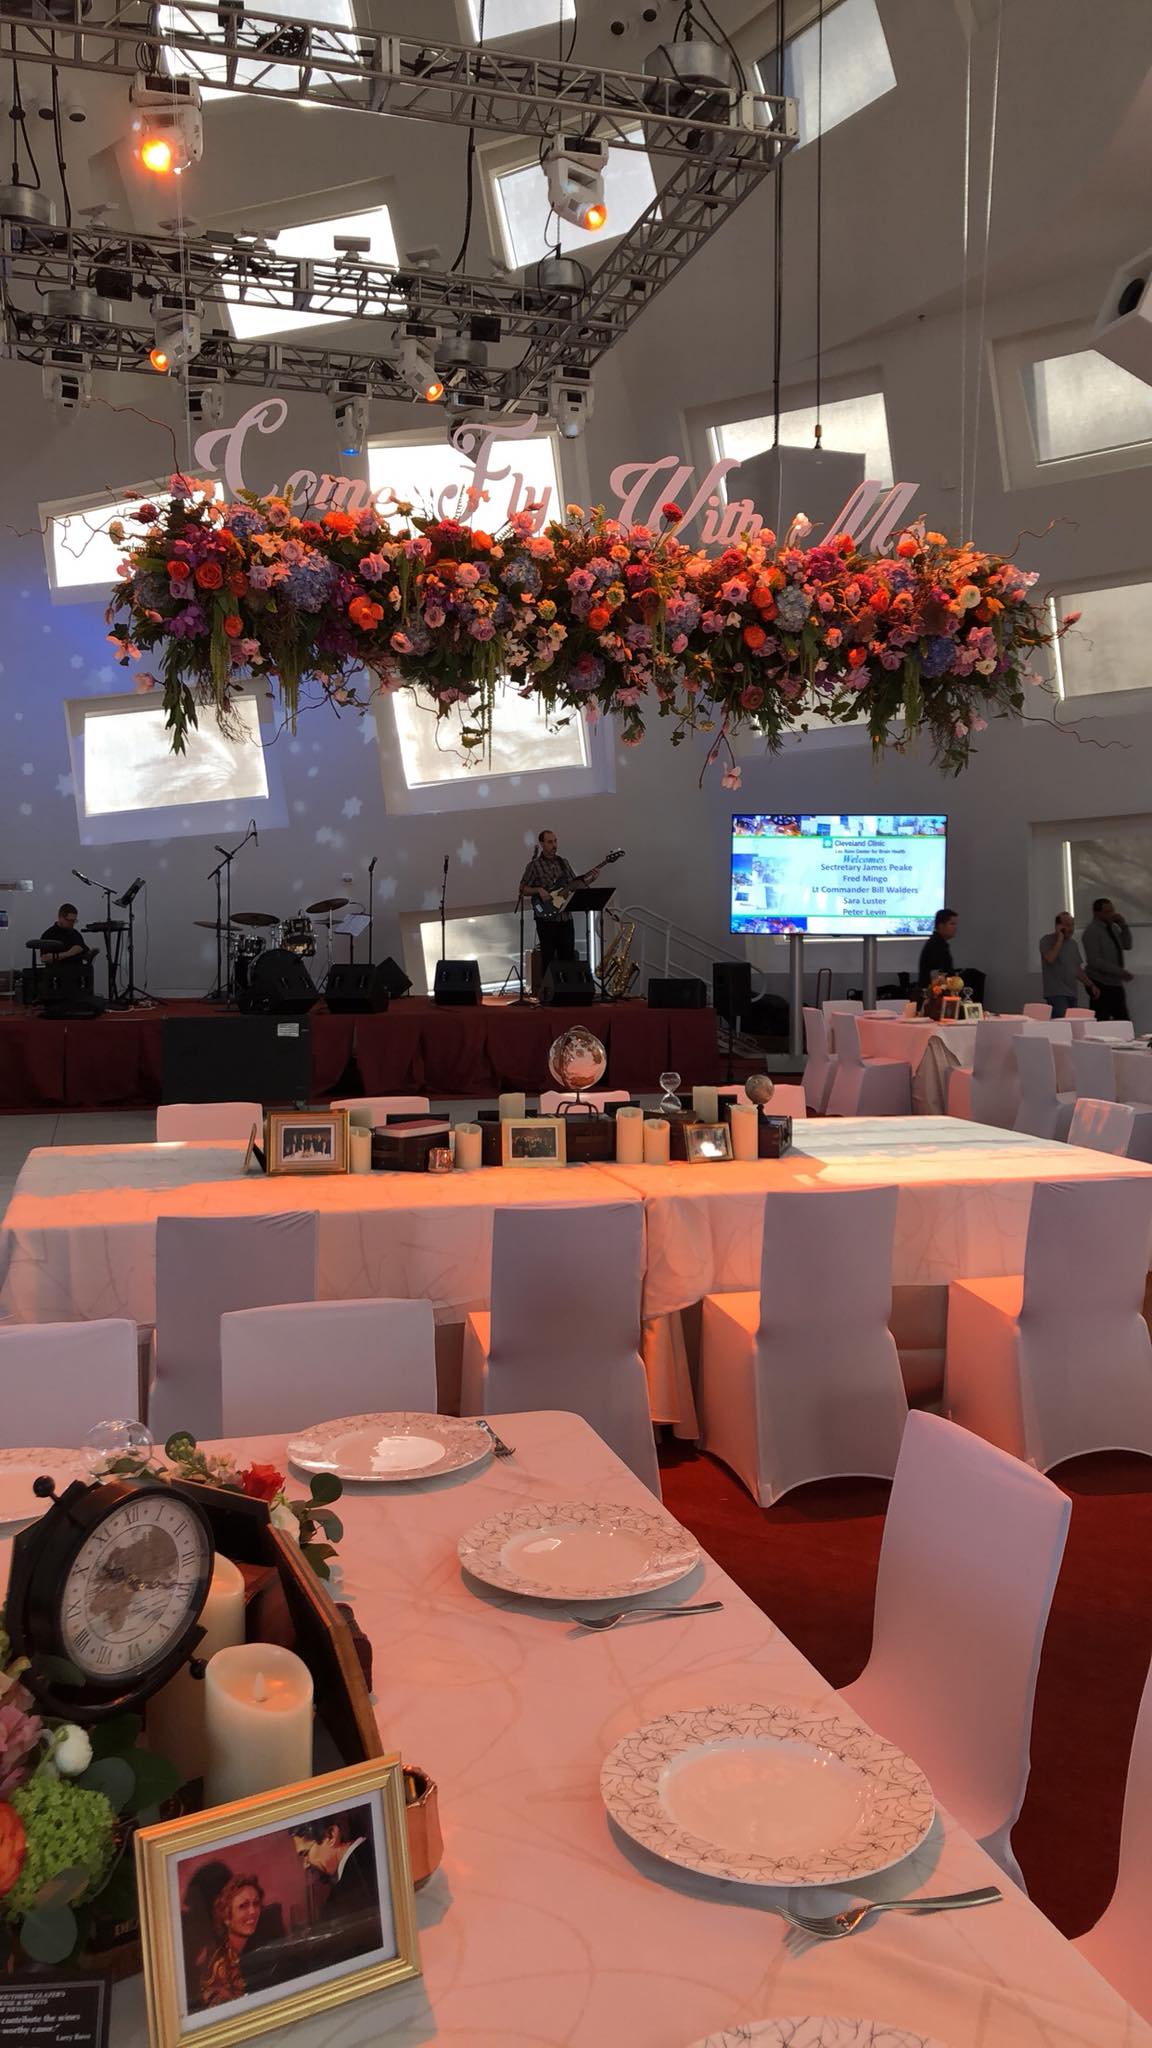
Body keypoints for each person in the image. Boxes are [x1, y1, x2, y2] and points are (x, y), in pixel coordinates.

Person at [290, 1808, 383, 1970]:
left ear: (331, 1835)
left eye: (305, 1854)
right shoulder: (374, 1853)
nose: (305, 1865)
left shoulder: (346, 1895)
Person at [518, 829, 605, 979]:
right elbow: (522, 889)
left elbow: (573, 885)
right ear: (542, 844)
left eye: (555, 841)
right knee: (548, 958)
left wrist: (590, 879)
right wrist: (538, 890)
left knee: (568, 958)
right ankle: (548, 989)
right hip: (546, 920)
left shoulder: (563, 863)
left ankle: (566, 989)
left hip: (565, 917)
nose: (554, 845)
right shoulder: (534, 865)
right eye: (550, 842)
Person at [193, 1873, 267, 2010]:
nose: (253, 1911)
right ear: (226, 1916)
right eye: (243, 1906)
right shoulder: (216, 1963)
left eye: (256, 1903)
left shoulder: (259, 1947)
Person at [1082, 897, 1134, 1021]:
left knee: (1122, 1020)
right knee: (1102, 1020)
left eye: (1112, 911)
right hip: (1100, 983)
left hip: (1115, 982)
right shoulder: (1092, 932)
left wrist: (1123, 926)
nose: (1111, 914)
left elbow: (1127, 945)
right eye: (1107, 912)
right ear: (1097, 913)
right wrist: (1120, 972)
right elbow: (1094, 961)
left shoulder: (1113, 928)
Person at [1038, 911, 1098, 1019]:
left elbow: (1077, 970)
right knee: (1062, 1024)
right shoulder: (1046, 940)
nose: (1071, 928)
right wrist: (1060, 939)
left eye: (1072, 925)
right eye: (1067, 925)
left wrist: (1090, 985)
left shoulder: (1073, 944)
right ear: (1058, 926)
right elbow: (1050, 958)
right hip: (1056, 994)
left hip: (1072, 994)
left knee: (1073, 1023)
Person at [918, 907, 958, 991]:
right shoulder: (936, 945)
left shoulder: (939, 943)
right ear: (941, 925)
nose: (955, 927)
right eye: (952, 924)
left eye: (955, 924)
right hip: (934, 994)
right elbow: (936, 975)